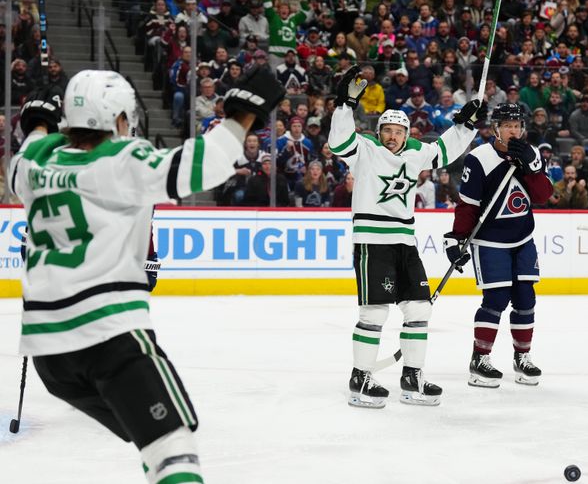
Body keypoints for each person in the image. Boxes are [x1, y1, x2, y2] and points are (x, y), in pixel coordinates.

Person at [8, 67, 284, 483]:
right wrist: (243, 115)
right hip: (108, 334)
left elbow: (30, 144)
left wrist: (39, 124)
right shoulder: (122, 160)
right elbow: (198, 165)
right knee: (172, 446)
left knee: (149, 435)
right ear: (117, 117)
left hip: (48, 352)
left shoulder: (31, 164)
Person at [329, 65, 484, 408]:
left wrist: (467, 125)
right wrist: (345, 105)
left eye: (398, 131)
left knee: (418, 309)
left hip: (405, 243)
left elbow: (445, 148)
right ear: (379, 131)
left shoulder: (416, 153)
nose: (392, 136)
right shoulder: (365, 151)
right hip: (373, 243)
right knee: (374, 314)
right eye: (387, 130)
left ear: (406, 132)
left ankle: (412, 377)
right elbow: (338, 141)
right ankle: (360, 378)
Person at [444, 103, 554, 388]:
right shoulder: (479, 158)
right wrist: (457, 237)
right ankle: (480, 359)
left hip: (523, 239)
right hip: (490, 241)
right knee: (496, 300)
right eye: (507, 125)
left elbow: (543, 195)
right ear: (495, 129)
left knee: (526, 299)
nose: (513, 130)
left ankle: (522, 357)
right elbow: (468, 205)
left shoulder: (532, 155)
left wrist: (532, 168)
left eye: (517, 125)